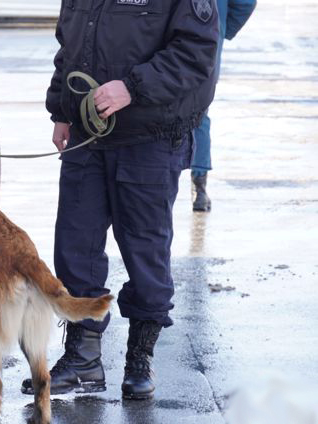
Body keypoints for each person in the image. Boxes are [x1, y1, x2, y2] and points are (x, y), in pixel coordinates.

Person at [21, 0, 219, 400]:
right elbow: (70, 45)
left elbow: (197, 52)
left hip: (150, 137)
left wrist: (132, 88)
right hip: (87, 132)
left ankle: (139, 358)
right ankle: (83, 358)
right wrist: (61, 109)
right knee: (75, 244)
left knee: (145, 250)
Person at [191, 0, 257, 211]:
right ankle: (199, 189)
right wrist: (220, 30)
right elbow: (245, 3)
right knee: (198, 115)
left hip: (157, 44)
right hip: (207, 42)